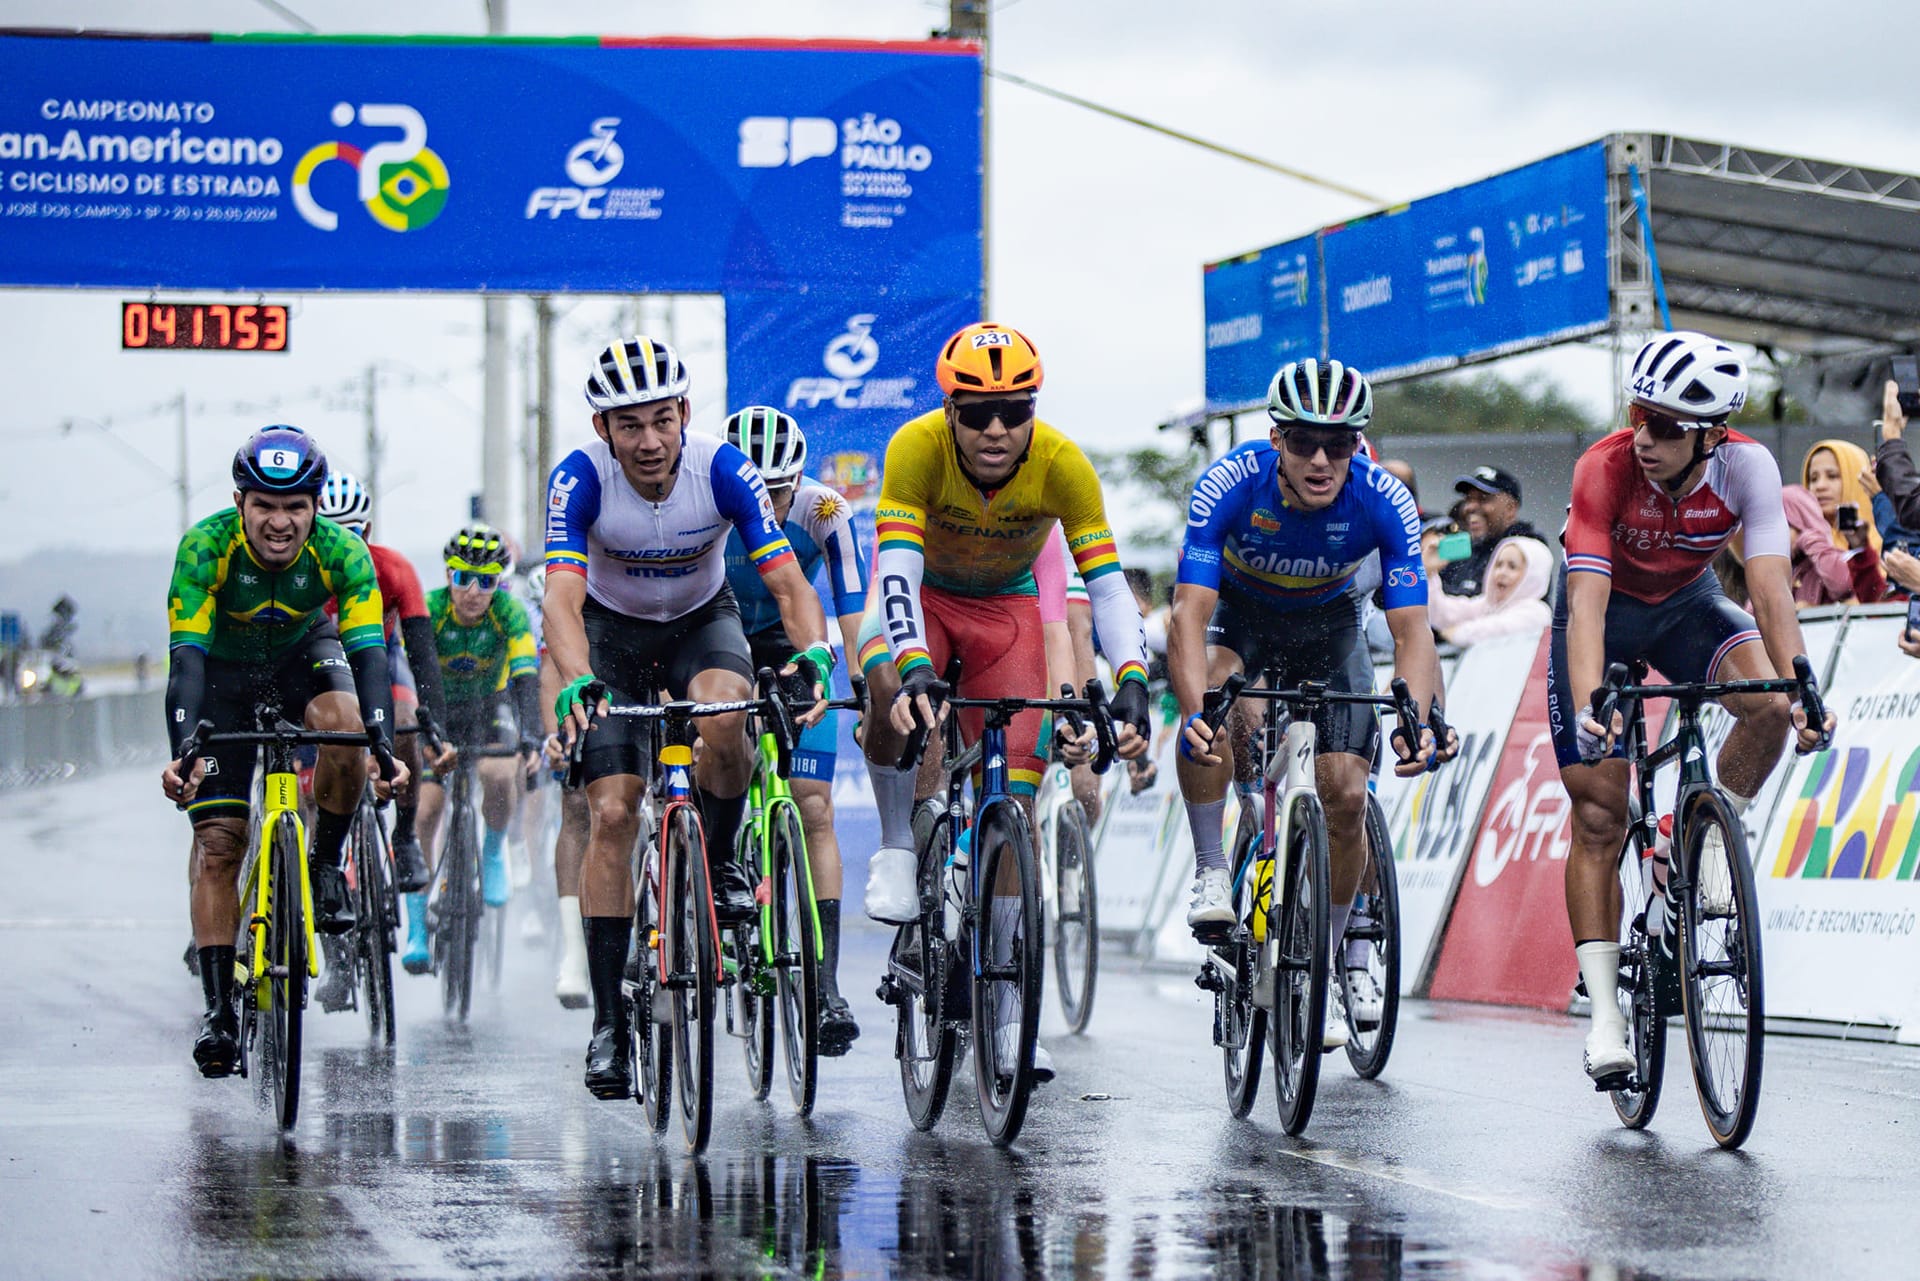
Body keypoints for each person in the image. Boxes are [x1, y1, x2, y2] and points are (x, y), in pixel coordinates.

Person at [857, 321, 1153, 1084]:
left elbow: (1108, 584)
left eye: (1014, 411)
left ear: (1032, 411)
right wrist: (916, 660)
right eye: (977, 411)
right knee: (892, 687)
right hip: (920, 597)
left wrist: (1130, 675)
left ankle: (1006, 1007)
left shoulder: (1062, 463)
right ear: (948, 410)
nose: (996, 428)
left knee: (1014, 804)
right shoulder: (915, 448)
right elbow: (894, 565)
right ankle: (898, 843)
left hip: (1005, 612)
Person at [545, 335, 831, 1100]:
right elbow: (563, 600)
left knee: (728, 722)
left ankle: (725, 856)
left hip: (704, 621)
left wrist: (815, 657)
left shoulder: (723, 468)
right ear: (603, 427)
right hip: (611, 636)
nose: (648, 440)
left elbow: (788, 579)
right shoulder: (579, 478)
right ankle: (609, 1023)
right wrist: (576, 681)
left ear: (685, 415)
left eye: (661, 420)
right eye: (628, 424)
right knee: (610, 811)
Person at [1551, 331, 1832, 1089]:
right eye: (1640, 413)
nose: (1645, 437)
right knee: (1602, 813)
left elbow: (1770, 589)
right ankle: (1607, 1012)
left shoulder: (1750, 467)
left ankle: (1695, 841)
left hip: (1686, 607)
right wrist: (1589, 705)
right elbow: (1585, 604)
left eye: (1668, 427)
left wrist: (1802, 683)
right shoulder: (1603, 467)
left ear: (1712, 435)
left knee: (1768, 707)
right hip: (1600, 617)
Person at [1171, 358, 1450, 1050]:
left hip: (1330, 627)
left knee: (1346, 792)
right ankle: (1212, 865)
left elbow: (1414, 630)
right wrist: (1194, 707)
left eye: (1340, 443)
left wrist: (1418, 714)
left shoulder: (1385, 499)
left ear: (1359, 443)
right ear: (1275, 439)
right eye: (1303, 441)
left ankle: (1327, 961)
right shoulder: (1230, 483)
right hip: (1242, 618)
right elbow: (1186, 612)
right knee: (1211, 699)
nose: (1322, 459)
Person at [159, 426, 406, 1077]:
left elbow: (369, 656)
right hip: (222, 678)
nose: (279, 521)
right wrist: (184, 749)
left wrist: (382, 743)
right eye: (264, 504)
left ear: (314, 508)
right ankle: (218, 1011)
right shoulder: (205, 548)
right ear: (239, 501)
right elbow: (185, 662)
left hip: (303, 657)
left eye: (294, 506)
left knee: (346, 726)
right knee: (219, 844)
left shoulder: (341, 554)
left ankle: (323, 865)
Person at [721, 405, 870, 1057]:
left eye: (779, 490)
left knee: (813, 807)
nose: (769, 504)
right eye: (756, 489)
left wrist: (862, 684)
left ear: (799, 480)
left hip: (794, 641)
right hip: (719, 638)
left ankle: (827, 984)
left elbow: (852, 608)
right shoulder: (706, 506)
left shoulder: (826, 511)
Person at [406, 524, 545, 973]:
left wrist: (530, 737)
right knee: (426, 810)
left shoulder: (509, 611)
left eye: (485, 581)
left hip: (490, 705)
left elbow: (526, 676)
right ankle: (414, 924)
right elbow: (419, 676)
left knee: (500, 774)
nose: (472, 591)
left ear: (498, 584)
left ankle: (493, 845)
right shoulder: (428, 610)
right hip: (439, 707)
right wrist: (430, 734)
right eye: (462, 577)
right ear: (447, 575)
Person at [1799, 440, 1888, 604]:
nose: (1820, 486)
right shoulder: (1804, 541)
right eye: (1813, 479)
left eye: (1832, 476)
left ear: (1857, 480)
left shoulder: (1885, 542)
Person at [1426, 535, 1553, 645]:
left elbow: (1498, 629)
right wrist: (1428, 572)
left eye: (1512, 567)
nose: (1501, 572)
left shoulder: (1537, 612)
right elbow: (1442, 612)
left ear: (1532, 576)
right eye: (1498, 564)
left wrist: (1458, 633)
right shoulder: (1486, 605)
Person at [1441, 465, 1546, 598]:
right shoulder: (1463, 547)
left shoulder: (1527, 549)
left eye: (1483, 499)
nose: (1470, 507)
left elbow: (1496, 605)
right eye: (1468, 499)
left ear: (1510, 508)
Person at [1781, 484, 1886, 607]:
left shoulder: (1824, 557)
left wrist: (1807, 537)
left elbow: (1841, 582)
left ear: (1802, 521)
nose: (1778, 537)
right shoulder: (1785, 568)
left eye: (1786, 526)